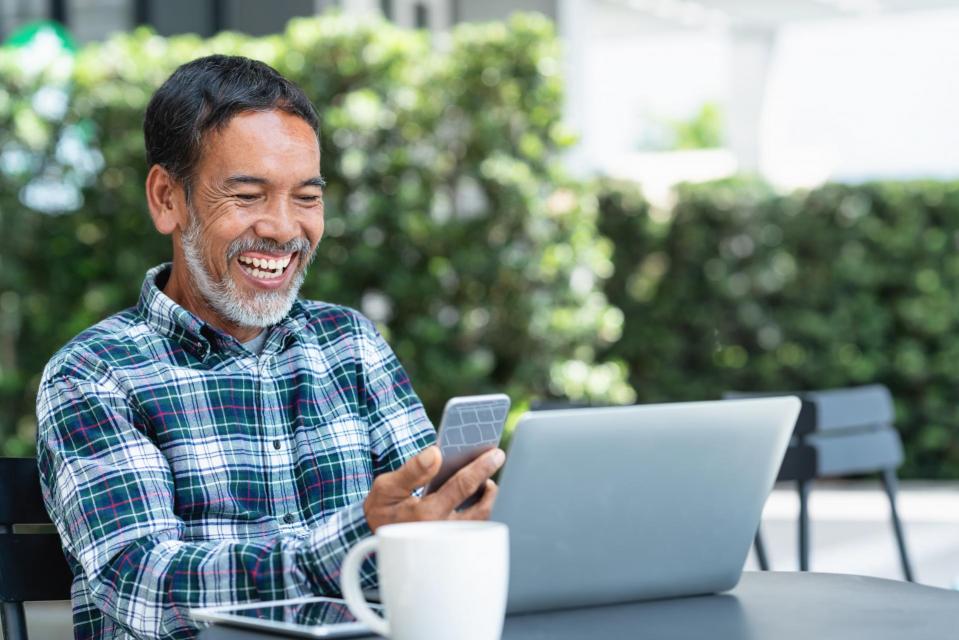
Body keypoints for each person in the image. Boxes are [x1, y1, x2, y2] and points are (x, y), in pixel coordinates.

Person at [35, 55, 505, 640]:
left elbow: (420, 533)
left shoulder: (350, 345)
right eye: (250, 195)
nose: (284, 229)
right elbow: (143, 584)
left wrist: (455, 519)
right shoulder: (96, 375)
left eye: (306, 197)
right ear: (166, 199)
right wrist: (357, 538)